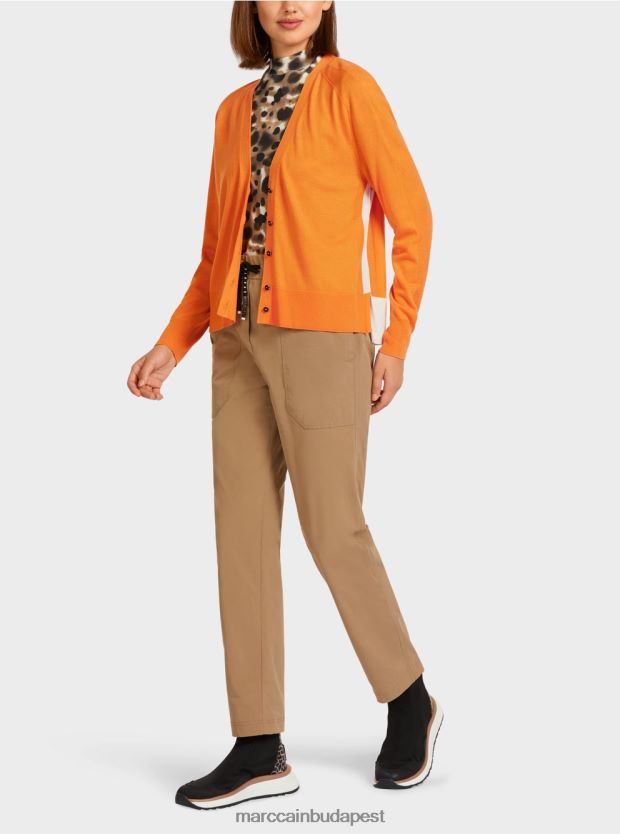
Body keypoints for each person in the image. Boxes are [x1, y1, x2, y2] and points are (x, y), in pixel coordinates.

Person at [127, 0, 442, 811]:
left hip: (323, 340)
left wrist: (395, 340)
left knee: (331, 526)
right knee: (240, 536)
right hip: (234, 342)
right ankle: (258, 744)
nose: (290, 3)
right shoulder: (232, 111)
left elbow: (412, 218)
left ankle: (408, 697)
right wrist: (172, 343)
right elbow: (214, 250)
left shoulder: (348, 88)